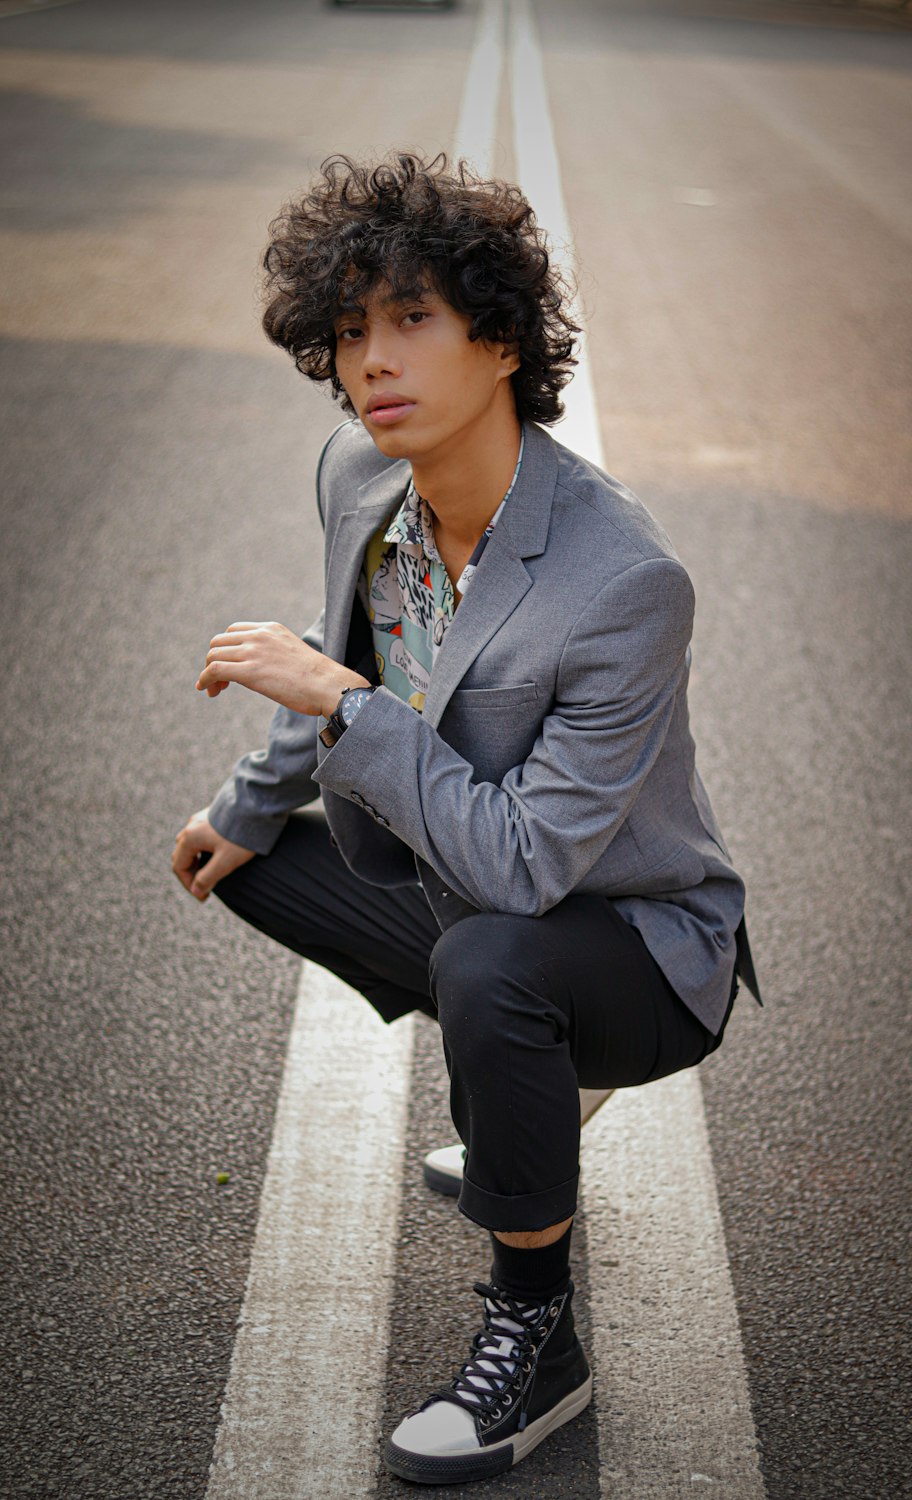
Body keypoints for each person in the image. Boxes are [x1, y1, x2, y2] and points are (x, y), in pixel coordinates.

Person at [172, 151, 760, 1487]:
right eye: (349, 332)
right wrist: (249, 806)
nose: (372, 362)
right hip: (472, 886)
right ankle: (527, 1082)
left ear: (499, 340)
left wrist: (336, 703)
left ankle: (533, 1340)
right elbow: (353, 661)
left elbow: (521, 863)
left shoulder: (622, 581)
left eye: (411, 320)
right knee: (246, 864)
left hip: (635, 939)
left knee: (494, 963)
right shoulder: (360, 477)